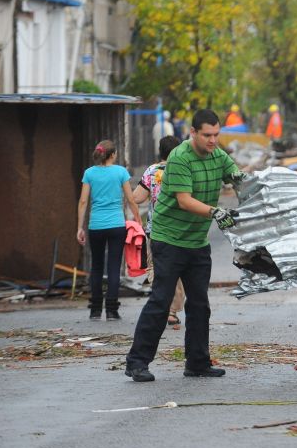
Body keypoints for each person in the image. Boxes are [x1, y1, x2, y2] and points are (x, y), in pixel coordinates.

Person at [124, 109, 247, 383]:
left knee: (200, 304)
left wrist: (254, 188)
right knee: (161, 300)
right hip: (169, 240)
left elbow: (237, 179)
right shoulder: (180, 157)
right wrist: (216, 212)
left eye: (216, 134)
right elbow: (184, 200)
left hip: (197, 242)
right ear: (193, 133)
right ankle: (137, 362)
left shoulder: (218, 155)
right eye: (207, 135)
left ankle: (197, 362)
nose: (213, 140)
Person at [76, 140, 142, 320]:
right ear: (112, 155)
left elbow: (83, 202)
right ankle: (112, 310)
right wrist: (137, 219)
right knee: (114, 267)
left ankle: (95, 310)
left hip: (96, 225)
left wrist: (79, 228)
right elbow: (130, 199)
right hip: (116, 225)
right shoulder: (121, 172)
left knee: (96, 267)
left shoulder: (89, 173)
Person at [132, 135, 185, 327]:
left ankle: (161, 306)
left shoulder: (151, 171)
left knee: (155, 267)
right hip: (180, 229)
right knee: (178, 270)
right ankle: (171, 311)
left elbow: (137, 198)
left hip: (156, 230)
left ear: (159, 152)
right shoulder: (184, 170)